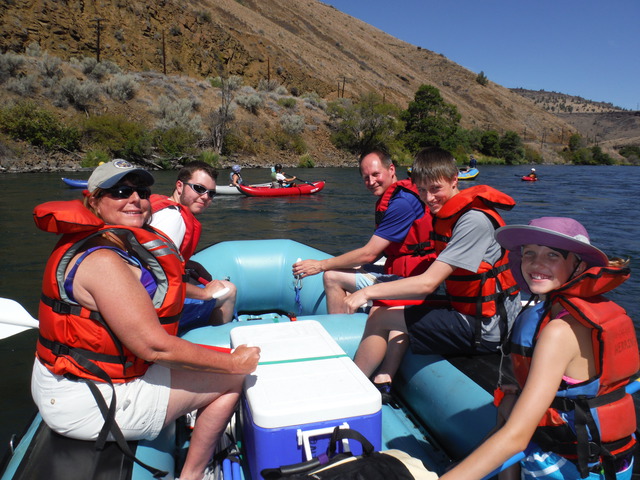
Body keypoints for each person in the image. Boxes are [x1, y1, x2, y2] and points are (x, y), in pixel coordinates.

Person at [31, 159, 260, 480]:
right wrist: (234, 362)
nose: (135, 199)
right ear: (93, 201)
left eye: (141, 191)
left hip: (73, 382)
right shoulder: (104, 262)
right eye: (120, 192)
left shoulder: (98, 240)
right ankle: (192, 475)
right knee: (233, 380)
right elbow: (155, 348)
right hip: (88, 401)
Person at [440, 217, 638, 480]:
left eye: (552, 255)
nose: (536, 263)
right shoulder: (572, 312)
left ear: (579, 266)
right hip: (611, 459)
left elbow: (516, 438)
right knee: (509, 403)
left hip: (578, 467)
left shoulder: (559, 331)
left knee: (507, 423)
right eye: (529, 253)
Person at [346, 147, 521, 395]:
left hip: (486, 329)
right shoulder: (447, 213)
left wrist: (366, 292)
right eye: (422, 190)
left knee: (379, 317)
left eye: (436, 188)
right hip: (466, 309)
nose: (429, 198)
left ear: (454, 180)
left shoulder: (472, 221)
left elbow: (428, 283)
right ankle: (381, 378)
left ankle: (352, 389)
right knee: (385, 308)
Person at [293, 150, 437, 314]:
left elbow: (369, 254)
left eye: (376, 174)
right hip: (406, 272)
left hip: (411, 281)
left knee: (332, 276)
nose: (371, 181)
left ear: (391, 169)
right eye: (366, 178)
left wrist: (320, 265)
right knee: (349, 273)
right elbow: (378, 253)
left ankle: (339, 329)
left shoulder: (401, 204)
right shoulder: (400, 196)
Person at [150, 161, 237, 333]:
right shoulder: (173, 220)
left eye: (211, 193)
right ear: (180, 186)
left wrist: (190, 264)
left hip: (147, 300)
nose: (205, 197)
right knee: (228, 290)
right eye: (199, 188)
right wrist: (205, 294)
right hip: (154, 313)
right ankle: (215, 342)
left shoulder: (162, 209)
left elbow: (153, 260)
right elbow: (159, 278)